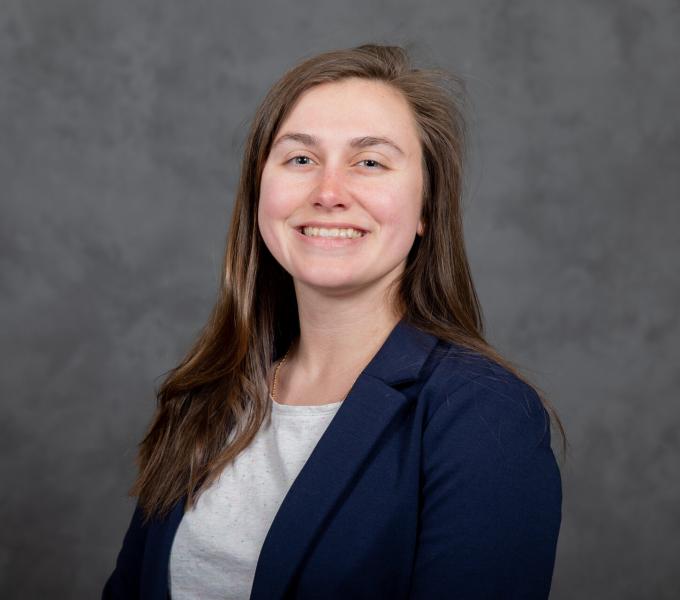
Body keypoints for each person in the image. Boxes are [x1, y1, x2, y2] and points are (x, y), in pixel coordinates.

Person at [103, 43, 565, 599]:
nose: (328, 193)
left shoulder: (483, 416)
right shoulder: (205, 394)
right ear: (259, 191)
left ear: (424, 209)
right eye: (300, 158)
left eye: (370, 162)